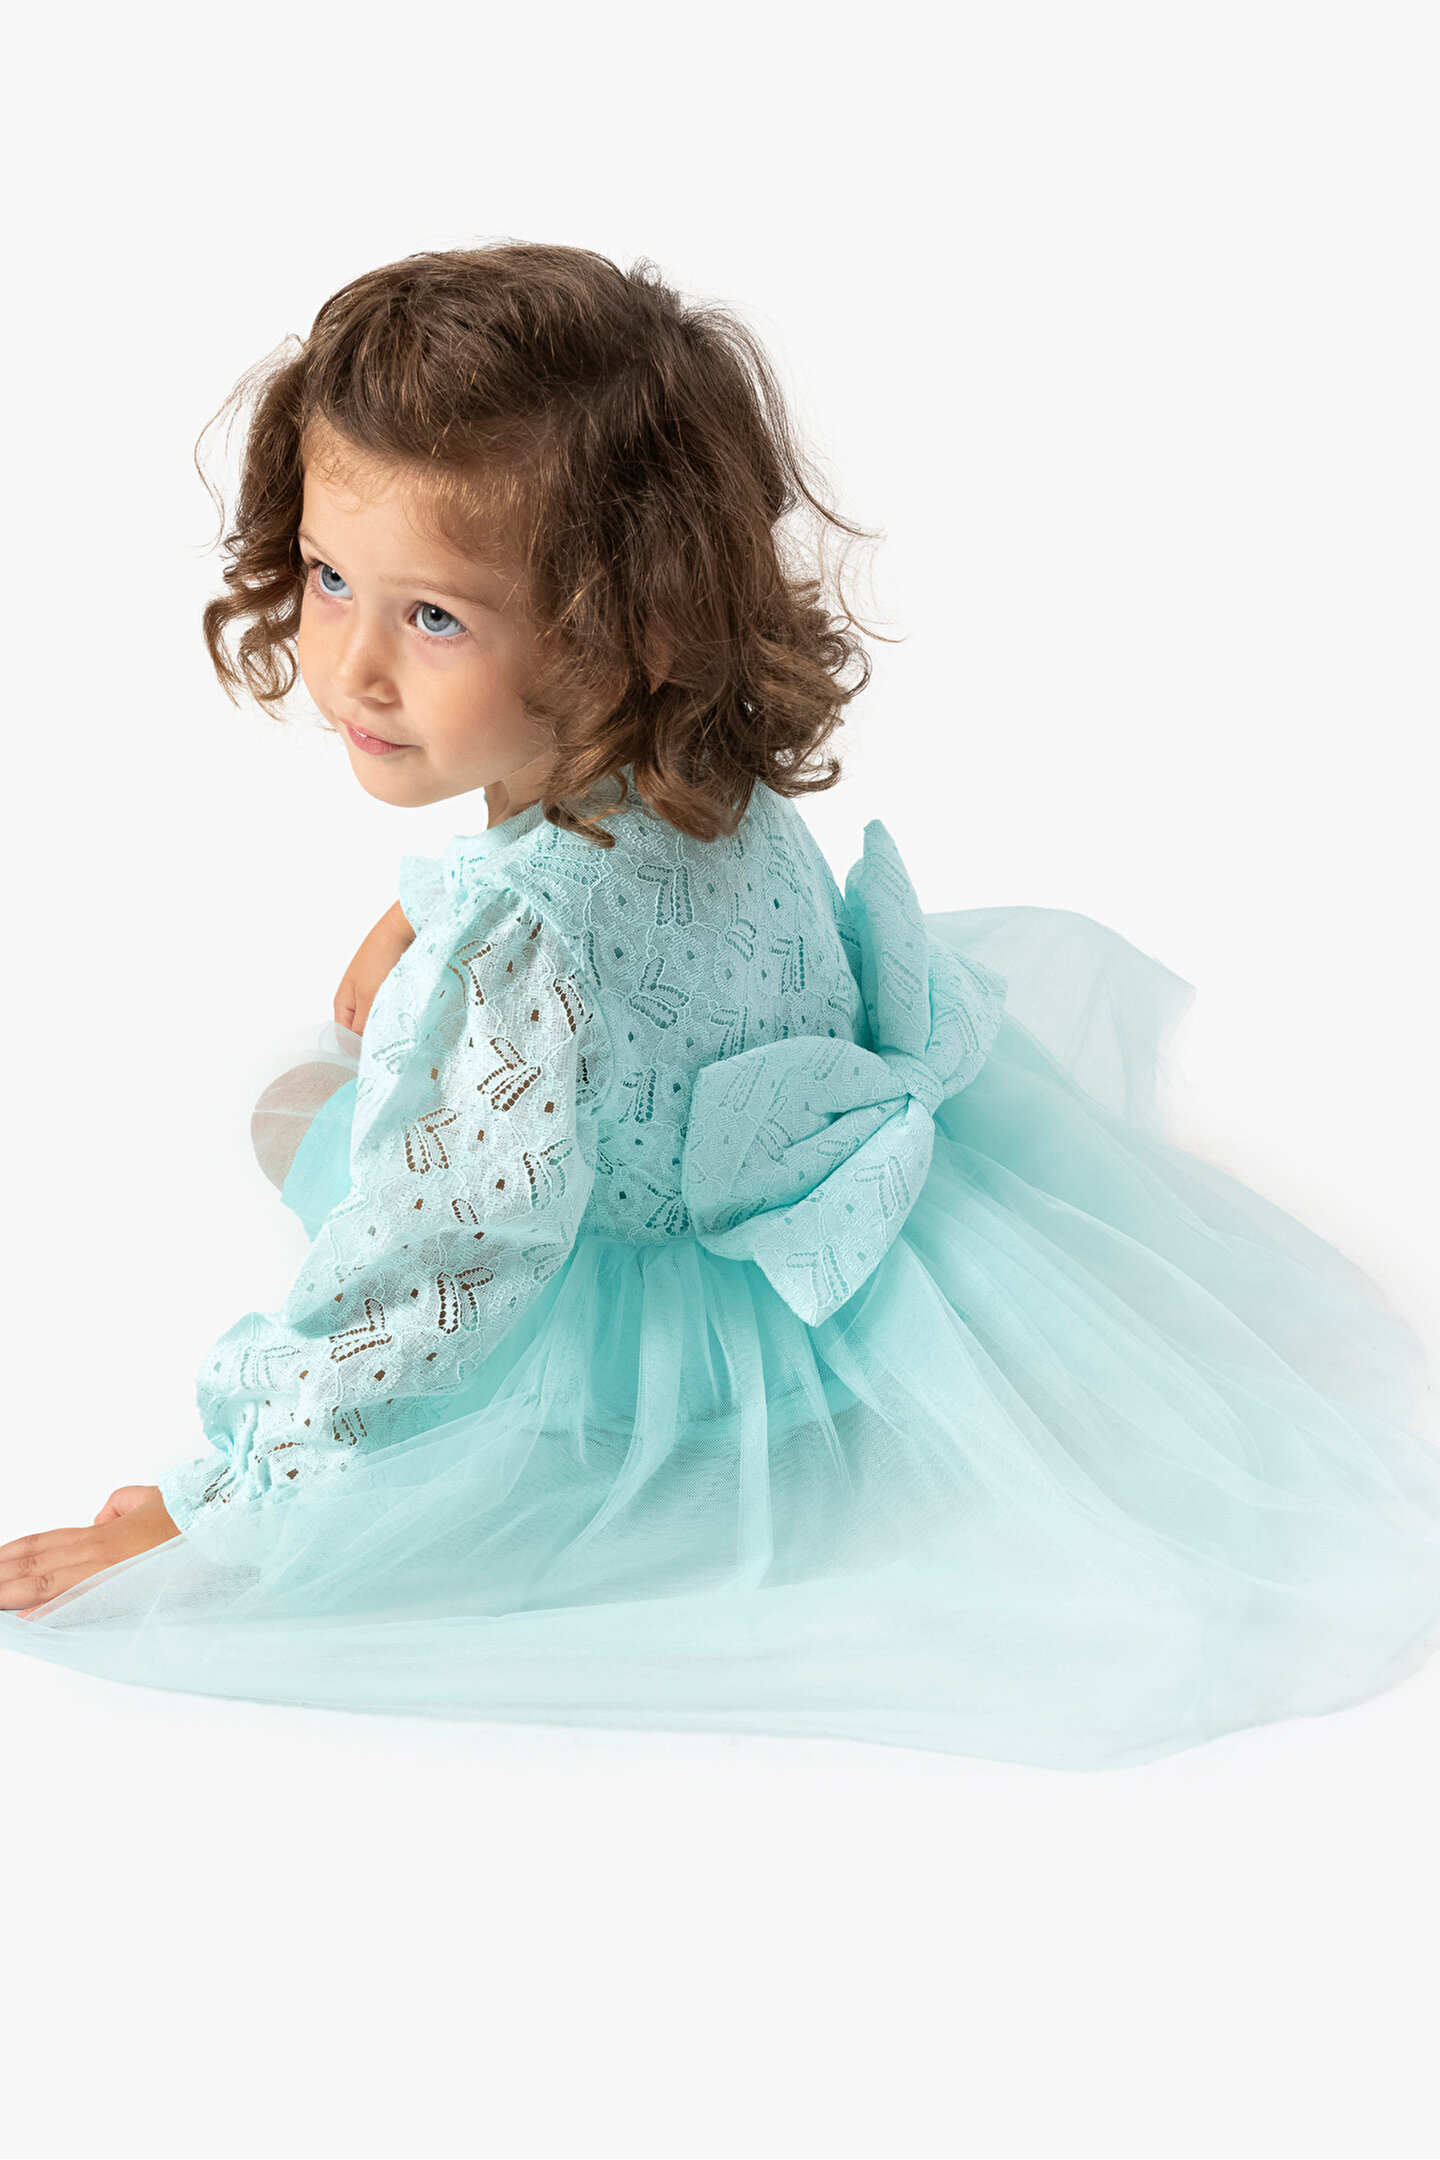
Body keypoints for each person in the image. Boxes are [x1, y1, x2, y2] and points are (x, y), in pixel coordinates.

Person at [3, 243, 1437, 1771]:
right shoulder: (701, 775)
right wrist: (442, 902)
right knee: (337, 1091)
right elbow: (595, 909)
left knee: (303, 1115)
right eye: (330, 576)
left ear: (626, 625)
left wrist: (222, 1505)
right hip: (848, 1259)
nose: (350, 663)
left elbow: (427, 1276)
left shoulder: (514, 962)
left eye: (436, 619)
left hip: (658, 1350)